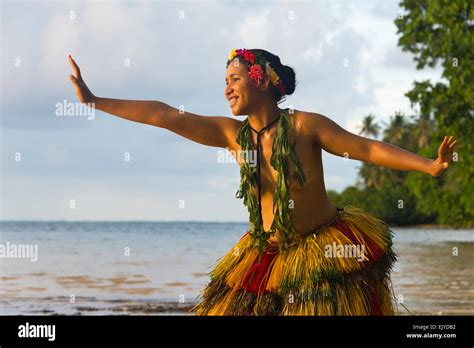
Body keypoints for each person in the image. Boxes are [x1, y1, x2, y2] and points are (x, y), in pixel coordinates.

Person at [68, 49, 458, 315]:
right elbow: (165, 115)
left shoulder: (306, 126)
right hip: (265, 253)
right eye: (225, 80)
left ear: (264, 80)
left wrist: (428, 165)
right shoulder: (231, 135)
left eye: (235, 78)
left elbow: (366, 149)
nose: (227, 87)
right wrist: (95, 101)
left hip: (325, 249)